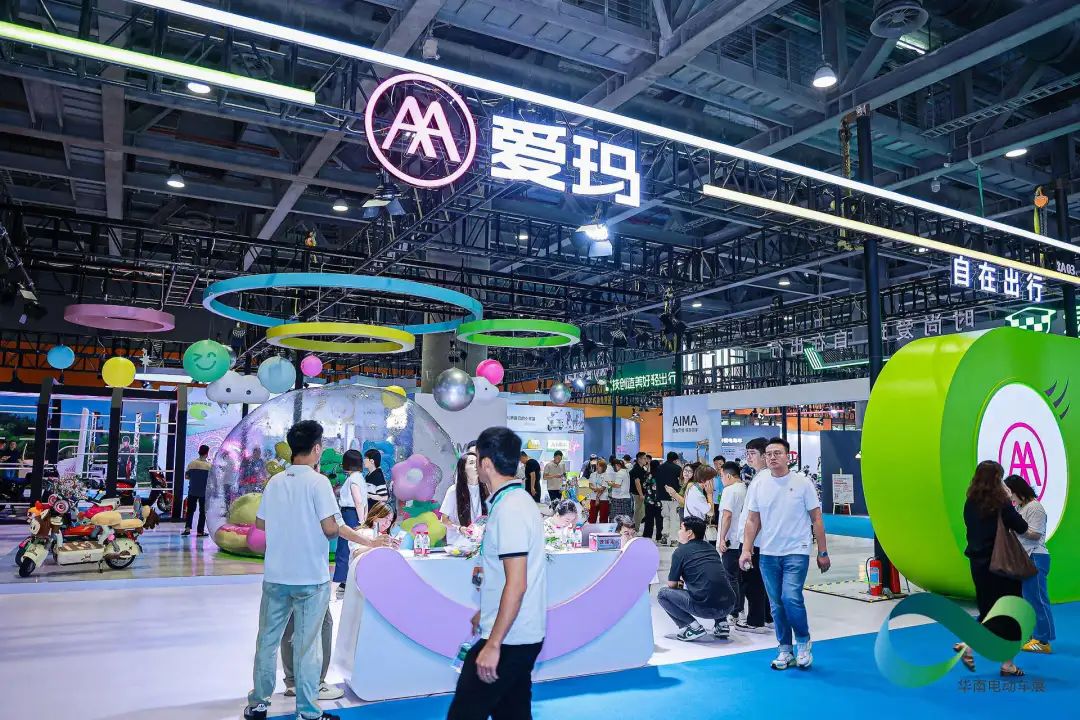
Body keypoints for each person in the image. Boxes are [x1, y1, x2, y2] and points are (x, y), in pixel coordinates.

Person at [244, 420, 384, 720]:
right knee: (308, 646)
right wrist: (368, 541)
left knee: (267, 640)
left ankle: (258, 703)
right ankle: (308, 711)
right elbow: (332, 528)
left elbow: (260, 523)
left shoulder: (275, 482)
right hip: (310, 577)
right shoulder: (318, 483)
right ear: (317, 448)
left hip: (276, 575)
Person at [447, 427, 546, 720]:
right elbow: (506, 576)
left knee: (465, 713)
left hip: (510, 638)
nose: (474, 464)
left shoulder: (511, 508)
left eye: (476, 458)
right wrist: (487, 611)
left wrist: (493, 643)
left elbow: (517, 583)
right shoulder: (511, 502)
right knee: (513, 712)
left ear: (487, 464)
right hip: (516, 634)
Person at [740, 437, 828, 671]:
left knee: (791, 597)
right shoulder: (759, 484)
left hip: (796, 551)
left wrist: (822, 551)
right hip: (768, 553)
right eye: (768, 454)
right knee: (777, 604)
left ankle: (803, 643)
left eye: (777, 453)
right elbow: (752, 519)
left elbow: (816, 518)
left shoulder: (802, 483)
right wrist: (746, 549)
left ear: (788, 456)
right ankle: (785, 649)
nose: (772, 457)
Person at [958, 461, 1029, 675]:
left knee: (988, 610)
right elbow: (1022, 527)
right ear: (998, 480)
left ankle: (972, 646)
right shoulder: (1001, 504)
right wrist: (1008, 500)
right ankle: (1005, 662)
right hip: (1002, 566)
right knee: (1012, 612)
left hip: (978, 565)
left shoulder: (970, 503)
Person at [659, 516, 735, 641]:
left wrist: (681, 583)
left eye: (681, 528)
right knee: (714, 585)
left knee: (663, 594)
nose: (679, 532)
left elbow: (671, 584)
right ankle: (722, 624)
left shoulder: (680, 552)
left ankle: (692, 627)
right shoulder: (711, 549)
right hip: (729, 605)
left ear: (689, 533)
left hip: (705, 607)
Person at [1003, 475, 1054, 654]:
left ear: (1018, 491)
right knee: (1029, 599)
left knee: (1037, 599)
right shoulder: (1020, 508)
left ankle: (1043, 640)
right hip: (1025, 558)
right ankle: (1034, 635)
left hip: (1036, 557)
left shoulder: (1035, 507)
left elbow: (1035, 534)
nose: (1009, 498)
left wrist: (1016, 527)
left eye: (1010, 493)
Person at [735, 437, 772, 633]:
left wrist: (747, 546)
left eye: (753, 453)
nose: (749, 457)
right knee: (760, 580)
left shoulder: (762, 480)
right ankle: (766, 617)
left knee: (752, 581)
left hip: (754, 541)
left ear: (764, 456)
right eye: (747, 453)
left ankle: (755, 621)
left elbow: (758, 516)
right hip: (757, 540)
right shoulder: (761, 477)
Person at [715, 461, 747, 627]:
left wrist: (722, 538)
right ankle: (740, 610)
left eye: (721, 476)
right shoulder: (744, 488)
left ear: (728, 475)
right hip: (742, 540)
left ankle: (734, 611)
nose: (721, 480)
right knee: (739, 578)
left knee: (730, 578)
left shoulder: (730, 490)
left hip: (730, 541)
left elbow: (727, 516)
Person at [333, 450, 367, 598]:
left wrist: (361, 521)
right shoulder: (360, 478)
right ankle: (348, 582)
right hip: (356, 514)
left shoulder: (353, 479)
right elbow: (362, 502)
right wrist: (364, 518)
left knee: (344, 548)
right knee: (353, 547)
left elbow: (358, 500)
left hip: (350, 515)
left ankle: (342, 583)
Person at [441, 451, 490, 534]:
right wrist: (459, 528)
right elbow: (444, 520)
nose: (476, 466)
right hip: (458, 540)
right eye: (471, 463)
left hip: (480, 540)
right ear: (463, 469)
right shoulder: (454, 490)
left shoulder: (487, 488)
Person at [182, 444, 211, 537]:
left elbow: (187, 476)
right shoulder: (209, 466)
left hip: (192, 490)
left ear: (199, 452)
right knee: (203, 512)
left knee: (190, 510)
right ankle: (200, 531)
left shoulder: (192, 464)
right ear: (207, 453)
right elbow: (212, 480)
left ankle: (187, 528)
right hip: (204, 492)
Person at [654, 452, 683, 546]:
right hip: (673, 496)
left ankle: (664, 536)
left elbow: (657, 481)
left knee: (665, 516)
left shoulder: (659, 467)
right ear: (675, 460)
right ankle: (674, 539)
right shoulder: (677, 468)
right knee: (674, 518)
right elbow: (681, 482)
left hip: (662, 496)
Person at [587, 458, 612, 523]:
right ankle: (591, 528)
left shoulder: (606, 475)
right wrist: (595, 489)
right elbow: (590, 484)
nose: (597, 467)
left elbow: (603, 488)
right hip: (593, 498)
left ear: (603, 467)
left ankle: (603, 529)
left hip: (603, 499)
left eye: (599, 466)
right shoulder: (592, 474)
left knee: (603, 518)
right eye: (597, 465)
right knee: (592, 517)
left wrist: (597, 497)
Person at [629, 452, 648, 529]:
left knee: (641, 511)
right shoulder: (636, 469)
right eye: (644, 458)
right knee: (638, 511)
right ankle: (635, 528)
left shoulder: (641, 468)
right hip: (637, 493)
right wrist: (641, 494)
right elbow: (637, 483)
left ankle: (636, 527)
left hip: (641, 493)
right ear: (639, 459)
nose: (646, 460)